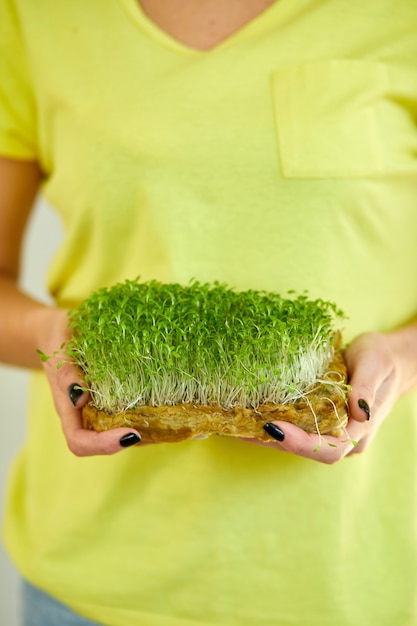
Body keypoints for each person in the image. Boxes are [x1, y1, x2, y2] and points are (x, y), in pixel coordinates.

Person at [1, 1, 417, 624]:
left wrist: (404, 357)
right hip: (96, 578)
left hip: (351, 577)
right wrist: (51, 336)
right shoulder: (34, 16)